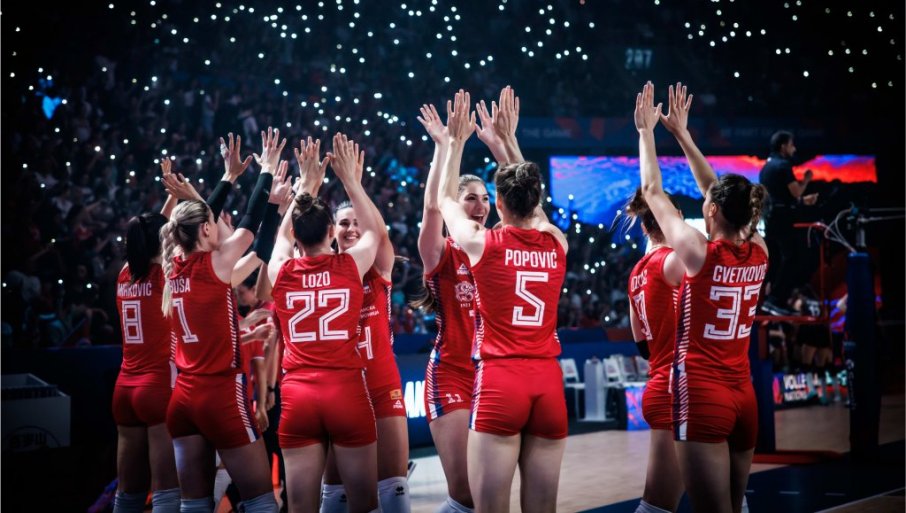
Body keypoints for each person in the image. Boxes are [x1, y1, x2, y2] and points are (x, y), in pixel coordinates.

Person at [636, 81, 767, 513]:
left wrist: (647, 132)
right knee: (737, 506)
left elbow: (652, 192)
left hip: (701, 389)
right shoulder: (760, 250)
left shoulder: (697, 252)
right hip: (744, 392)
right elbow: (718, 194)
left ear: (712, 210)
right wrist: (685, 136)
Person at [437, 89, 569, 513]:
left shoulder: (483, 243)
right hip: (548, 381)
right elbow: (534, 205)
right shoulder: (557, 242)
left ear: (497, 203)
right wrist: (507, 142)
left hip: (500, 381)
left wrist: (455, 141)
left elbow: (444, 200)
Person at [160, 129, 291, 513]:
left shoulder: (174, 266)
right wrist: (265, 171)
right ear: (206, 229)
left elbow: (257, 250)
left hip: (182, 399)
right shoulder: (214, 265)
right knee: (261, 500)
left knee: (194, 504)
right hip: (219, 393)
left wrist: (233, 181)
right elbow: (248, 223)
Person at [411, 85, 524, 513]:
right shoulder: (440, 251)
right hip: (452, 374)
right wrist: (448, 146)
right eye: (469, 199)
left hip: (494, 376)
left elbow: (527, 203)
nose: (479, 205)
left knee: (490, 494)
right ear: (456, 206)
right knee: (465, 493)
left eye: (484, 198)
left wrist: (505, 143)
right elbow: (432, 209)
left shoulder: (499, 244)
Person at [267, 134, 382, 513]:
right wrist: (351, 180)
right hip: (345, 390)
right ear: (332, 232)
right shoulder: (350, 265)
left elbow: (281, 237)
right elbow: (375, 232)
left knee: (300, 507)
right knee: (365, 505)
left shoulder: (281, 271)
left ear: (296, 236)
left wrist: (307, 186)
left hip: (298, 394)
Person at [322, 149, 411, 512]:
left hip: (381, 382)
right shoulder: (321, 270)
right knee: (335, 492)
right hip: (339, 388)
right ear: (332, 231)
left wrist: (352, 184)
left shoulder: (379, 267)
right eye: (344, 223)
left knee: (395, 488)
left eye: (358, 222)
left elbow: (381, 233)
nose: (352, 229)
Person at [112, 205, 179, 513]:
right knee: (166, 491)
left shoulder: (124, 274)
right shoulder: (167, 276)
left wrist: (171, 197)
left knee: (128, 493)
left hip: (124, 388)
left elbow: (144, 232)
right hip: (157, 388)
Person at [624, 187, 684, 513]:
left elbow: (643, 346)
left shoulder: (636, 272)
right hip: (679, 389)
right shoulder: (677, 262)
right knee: (657, 505)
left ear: (645, 228)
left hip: (660, 381)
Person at [758, 130, 817, 308]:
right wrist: (806, 179)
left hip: (770, 219)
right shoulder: (783, 165)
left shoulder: (766, 167)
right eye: (791, 145)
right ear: (783, 146)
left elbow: (779, 196)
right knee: (793, 258)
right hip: (783, 220)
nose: (794, 149)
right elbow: (796, 192)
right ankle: (776, 299)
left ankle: (768, 298)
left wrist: (801, 201)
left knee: (775, 260)